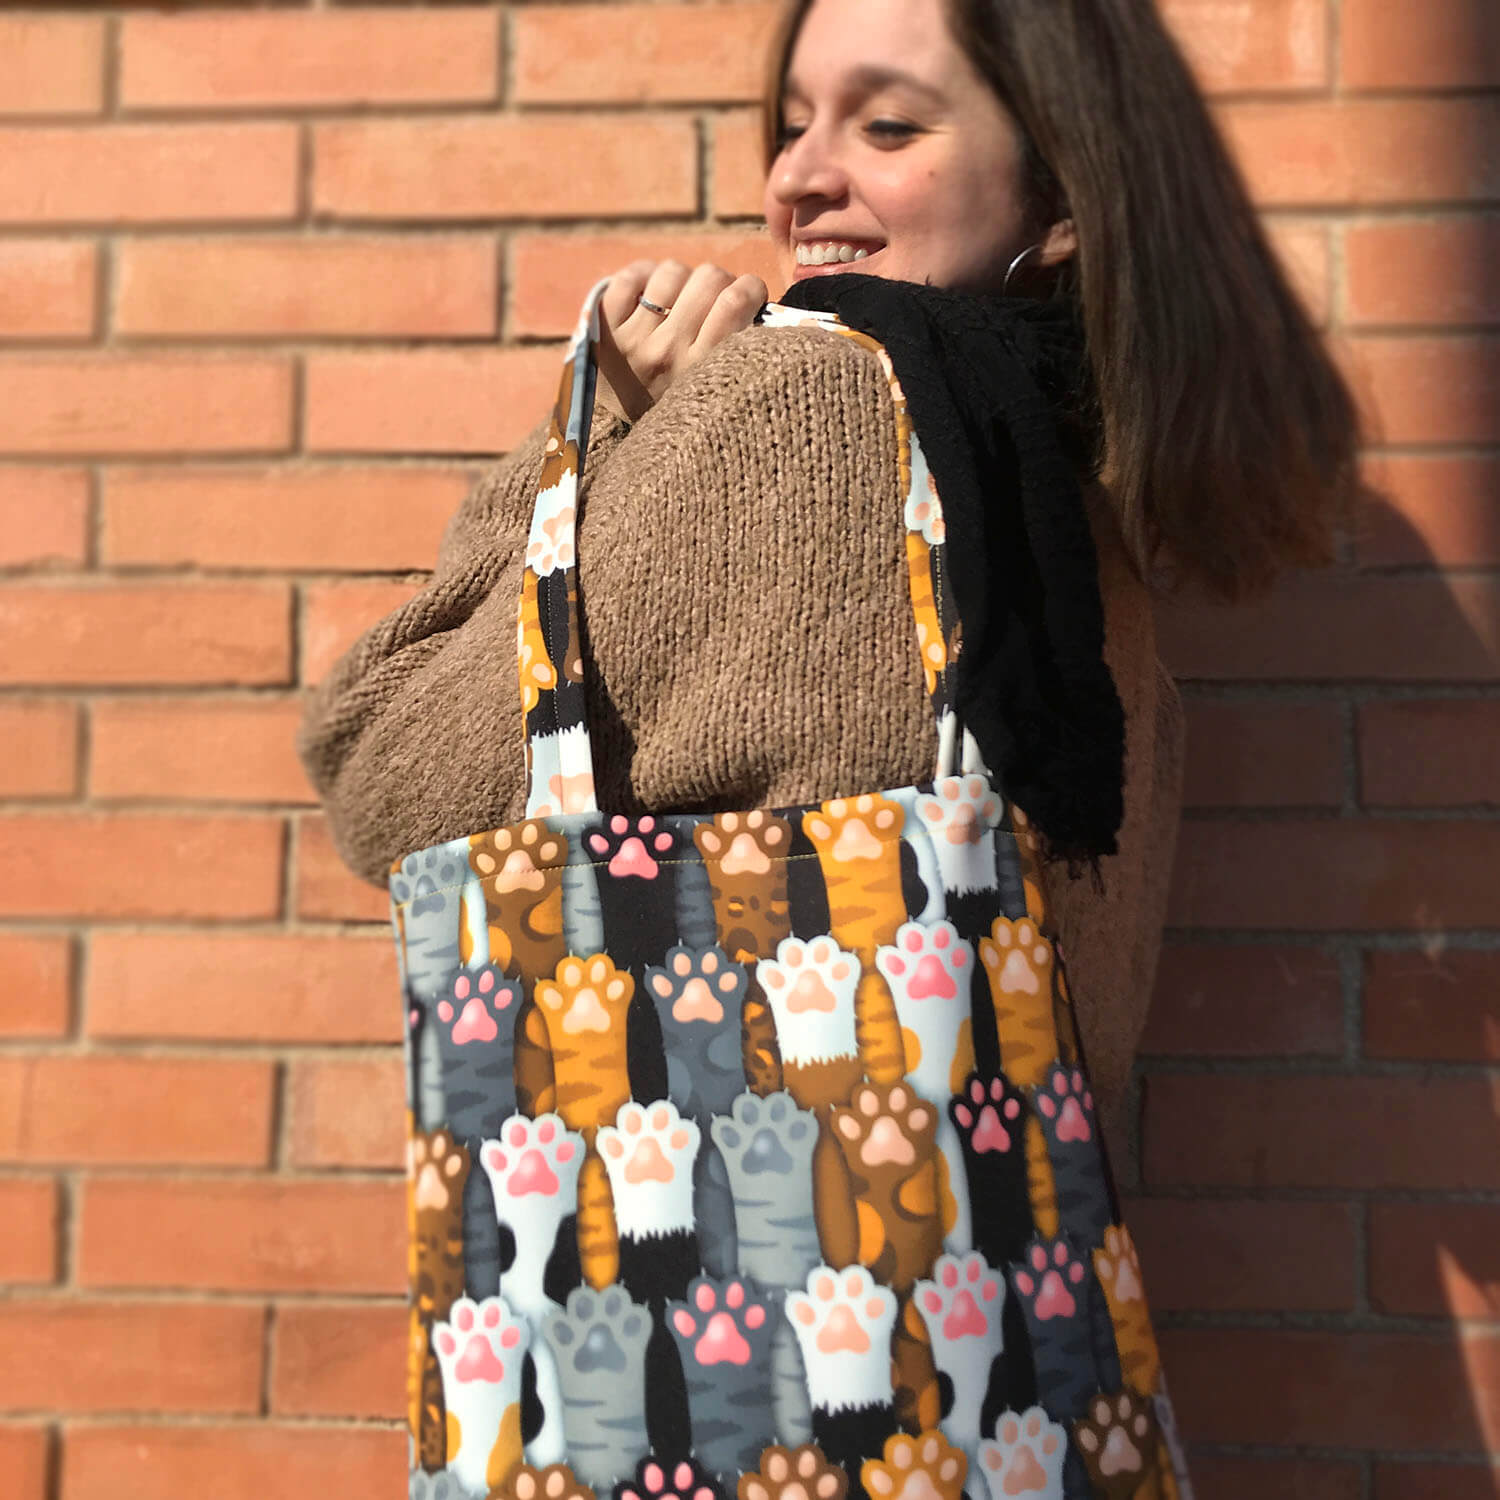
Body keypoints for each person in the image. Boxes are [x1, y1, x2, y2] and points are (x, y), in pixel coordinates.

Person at [300, 0, 1358, 1492]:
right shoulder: (1072, 515)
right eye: (794, 120)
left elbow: (379, 767)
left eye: (888, 124)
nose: (802, 174)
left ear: (1058, 192)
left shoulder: (801, 411)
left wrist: (607, 431)